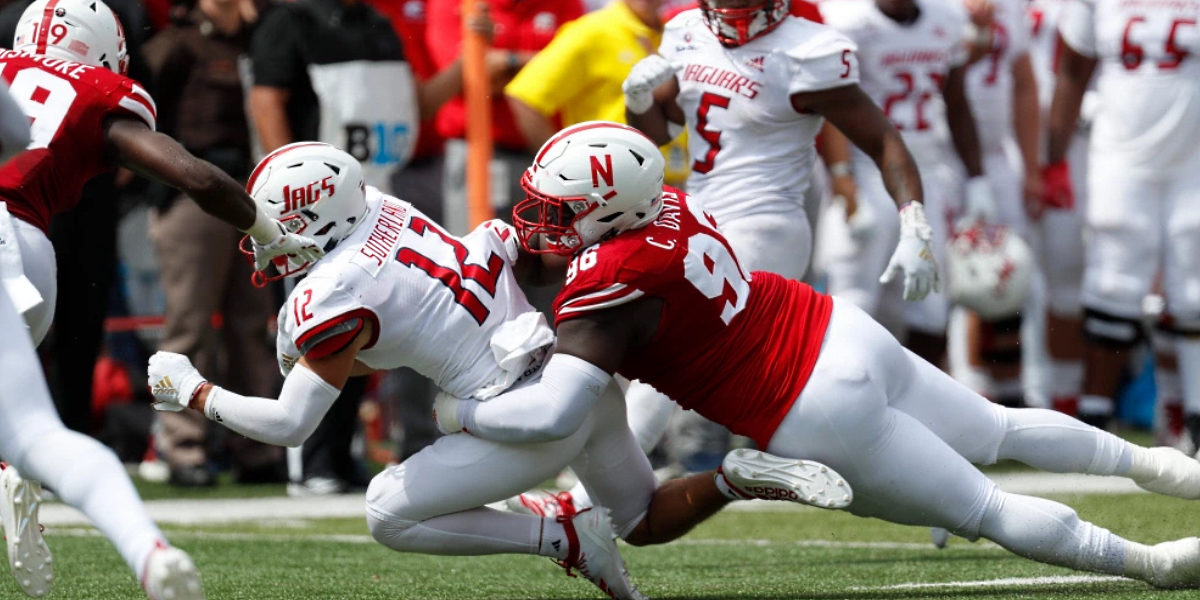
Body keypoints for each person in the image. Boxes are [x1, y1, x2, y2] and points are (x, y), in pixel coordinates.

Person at [435, 120, 1200, 590]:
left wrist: (463, 408)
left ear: (605, 213)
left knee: (985, 508)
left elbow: (561, 409)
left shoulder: (607, 283)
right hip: (833, 327)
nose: (539, 222)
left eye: (558, 213)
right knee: (999, 430)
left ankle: (1154, 564)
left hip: (805, 404)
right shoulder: (668, 200)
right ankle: (1174, 471)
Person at [147, 141, 853, 600]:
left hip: (522, 418)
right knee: (640, 518)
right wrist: (324, 355)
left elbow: (291, 424)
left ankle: (562, 536)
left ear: (312, 221)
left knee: (387, 513)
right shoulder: (387, 212)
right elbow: (404, 326)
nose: (268, 243)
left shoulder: (329, 294)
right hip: (578, 378)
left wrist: (193, 391)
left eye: (273, 225)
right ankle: (735, 476)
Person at [247, 0, 471, 495]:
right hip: (309, 210)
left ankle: (341, 455)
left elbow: (412, 106)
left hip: (371, 201)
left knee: (359, 330)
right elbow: (266, 102)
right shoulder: (291, 21)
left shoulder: (379, 26)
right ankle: (312, 462)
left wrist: (472, 59)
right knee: (315, 330)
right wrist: (282, 204)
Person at [0, 56, 203, 600]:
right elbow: (16, 134)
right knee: (37, 433)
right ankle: (149, 552)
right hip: (19, 240)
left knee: (22, 432)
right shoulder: (89, 86)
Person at [142, 0, 285, 488]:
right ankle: (182, 447)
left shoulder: (261, 33)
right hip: (194, 193)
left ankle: (255, 448)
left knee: (250, 325)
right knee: (188, 325)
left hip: (251, 190)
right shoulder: (176, 42)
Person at [1045, 0, 1200, 434]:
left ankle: (1192, 414)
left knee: (1194, 286)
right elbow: (1073, 70)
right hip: (1123, 154)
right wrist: (1053, 158)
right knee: (1112, 283)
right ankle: (1094, 415)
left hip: (1193, 156)